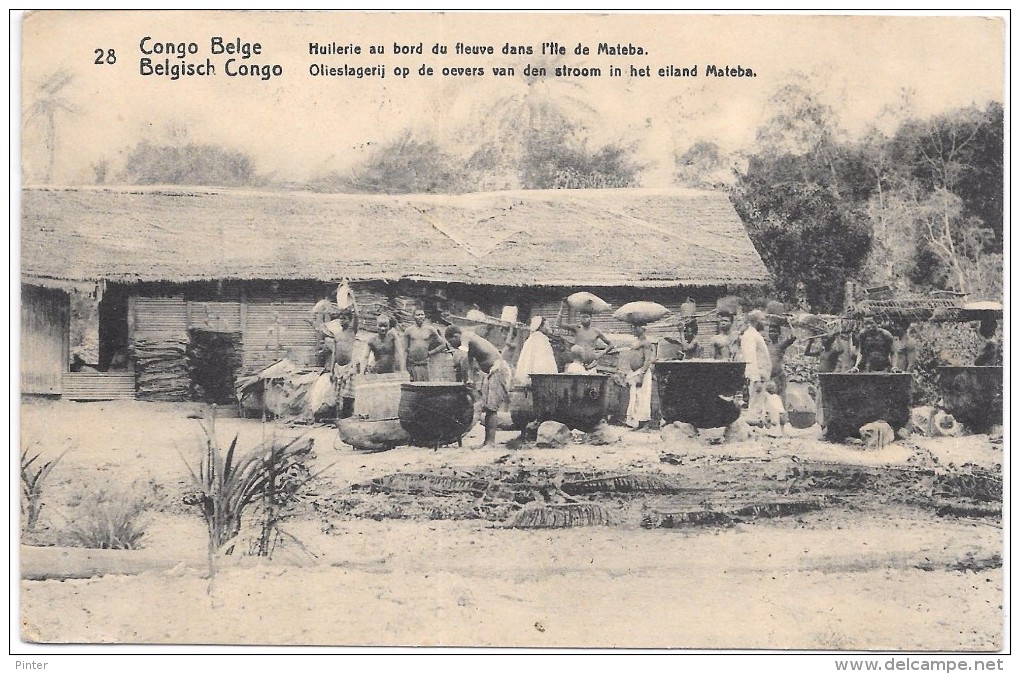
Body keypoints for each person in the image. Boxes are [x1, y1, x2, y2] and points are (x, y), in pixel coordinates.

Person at [445, 324, 514, 447]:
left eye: (453, 343)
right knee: (488, 407)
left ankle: (490, 443)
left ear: (456, 336)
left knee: (492, 408)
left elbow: (463, 358)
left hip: (498, 369)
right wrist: (469, 379)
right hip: (492, 372)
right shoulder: (470, 342)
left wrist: (464, 379)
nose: (454, 347)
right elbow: (469, 362)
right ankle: (487, 441)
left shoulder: (465, 336)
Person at [740, 309, 773, 424]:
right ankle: (752, 425)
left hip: (762, 375)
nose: (765, 323)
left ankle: (757, 425)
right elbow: (751, 358)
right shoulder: (749, 336)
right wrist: (756, 378)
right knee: (755, 403)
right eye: (763, 320)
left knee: (759, 403)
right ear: (756, 321)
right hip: (757, 375)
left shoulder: (755, 334)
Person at [404, 308, 449, 382]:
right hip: (412, 364)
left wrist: (431, 352)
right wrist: (406, 366)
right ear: (413, 317)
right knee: (414, 387)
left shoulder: (430, 329)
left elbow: (443, 344)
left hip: (425, 363)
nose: (420, 317)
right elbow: (405, 349)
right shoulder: (408, 330)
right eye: (418, 315)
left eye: (422, 314)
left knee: (426, 386)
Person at [625, 323, 655, 430]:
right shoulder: (636, 342)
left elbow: (647, 360)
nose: (633, 329)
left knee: (643, 398)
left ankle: (646, 424)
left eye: (636, 327)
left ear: (642, 328)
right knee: (635, 398)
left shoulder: (646, 343)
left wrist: (641, 374)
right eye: (633, 327)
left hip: (642, 373)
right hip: (634, 372)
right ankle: (638, 423)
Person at [515, 316, 558, 385]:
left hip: (532, 376)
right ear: (540, 327)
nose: (548, 328)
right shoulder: (542, 339)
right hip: (541, 377)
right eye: (546, 326)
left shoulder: (531, 339)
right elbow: (544, 362)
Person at [766, 319, 796, 403]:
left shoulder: (781, 345)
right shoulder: (766, 346)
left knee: (780, 398)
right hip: (769, 376)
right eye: (770, 331)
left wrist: (789, 324)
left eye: (774, 331)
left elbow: (793, 337)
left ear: (778, 334)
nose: (771, 333)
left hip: (778, 377)